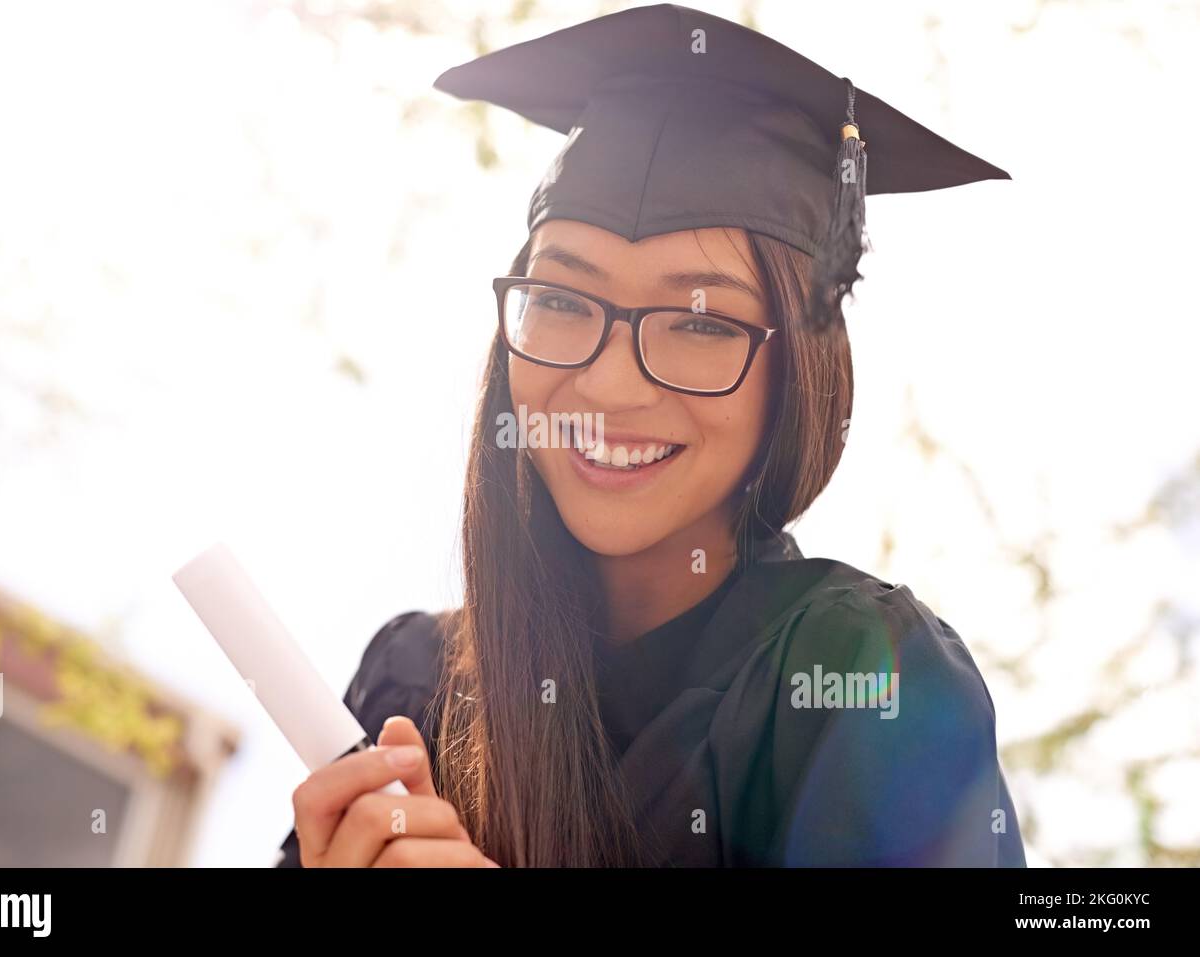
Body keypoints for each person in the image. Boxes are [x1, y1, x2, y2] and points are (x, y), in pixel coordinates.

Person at [278, 3, 1025, 867]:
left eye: (698, 322)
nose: (606, 384)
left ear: (798, 372)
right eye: (560, 300)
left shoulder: (857, 676)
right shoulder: (413, 683)